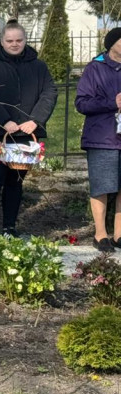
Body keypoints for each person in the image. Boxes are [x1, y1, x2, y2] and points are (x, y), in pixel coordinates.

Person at [0, 20, 57, 238]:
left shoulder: (39, 66)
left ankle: (9, 228)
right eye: (9, 40)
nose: (14, 44)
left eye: (19, 40)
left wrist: (36, 120)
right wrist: (4, 121)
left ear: (25, 40)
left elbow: (49, 93)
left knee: (15, 183)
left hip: (25, 134)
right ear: (2, 41)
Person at [76, 28, 121, 253]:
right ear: (112, 44)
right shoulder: (95, 68)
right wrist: (113, 103)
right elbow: (82, 103)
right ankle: (100, 234)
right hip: (103, 137)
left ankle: (119, 234)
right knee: (102, 185)